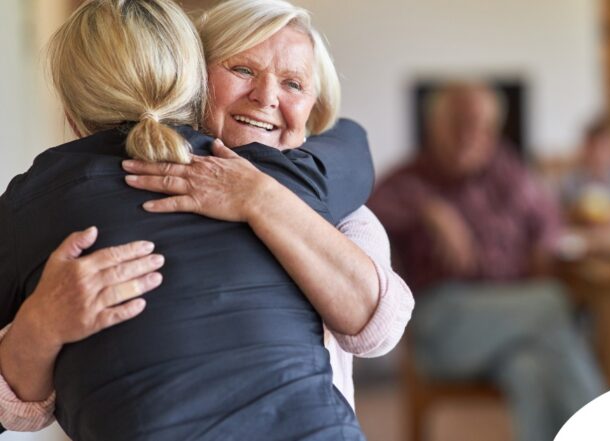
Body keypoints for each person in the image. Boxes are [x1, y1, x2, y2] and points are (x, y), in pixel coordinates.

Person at [0, 0, 413, 439]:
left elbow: (378, 331)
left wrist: (260, 199)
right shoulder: (61, 204)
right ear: (191, 79)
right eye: (242, 70)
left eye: (293, 83)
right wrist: (40, 326)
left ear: (315, 107)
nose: (267, 97)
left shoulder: (325, 198)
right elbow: (26, 407)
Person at [369, 83, 604, 441]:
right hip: (443, 327)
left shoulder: (508, 172)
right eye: (458, 123)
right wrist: (429, 209)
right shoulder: (408, 179)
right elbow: (362, 214)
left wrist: (542, 245)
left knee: (530, 368)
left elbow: (551, 222)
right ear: (434, 126)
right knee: (554, 302)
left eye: (480, 125)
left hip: (513, 326)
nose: (469, 136)